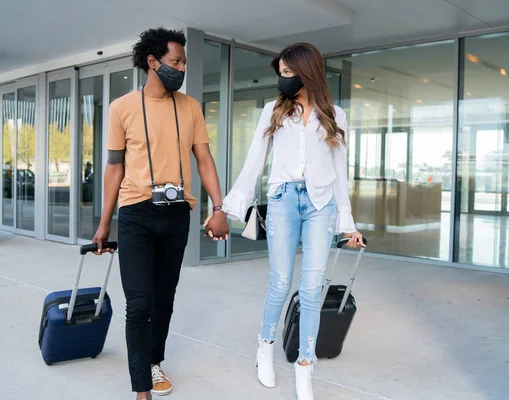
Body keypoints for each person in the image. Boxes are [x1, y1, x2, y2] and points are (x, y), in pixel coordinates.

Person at [215, 42, 365, 400]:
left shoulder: (334, 115)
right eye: (280, 73)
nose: (281, 79)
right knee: (280, 284)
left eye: (287, 73)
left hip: (321, 204)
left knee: (312, 289)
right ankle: (264, 347)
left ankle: (304, 367)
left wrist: (348, 223)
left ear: (305, 72)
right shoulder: (272, 111)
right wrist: (229, 208)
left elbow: (340, 173)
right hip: (283, 201)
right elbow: (255, 161)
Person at [91, 27, 229, 400]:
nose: (182, 67)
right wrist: (104, 223)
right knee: (139, 303)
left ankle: (154, 361)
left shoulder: (190, 107)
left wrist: (219, 207)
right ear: (153, 63)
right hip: (135, 213)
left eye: (184, 61)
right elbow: (114, 169)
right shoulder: (122, 108)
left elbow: (204, 159)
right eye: (176, 61)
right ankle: (141, 388)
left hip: (177, 214)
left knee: (164, 299)